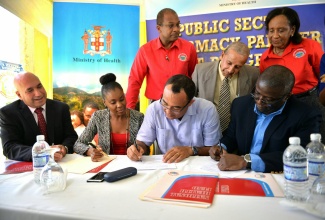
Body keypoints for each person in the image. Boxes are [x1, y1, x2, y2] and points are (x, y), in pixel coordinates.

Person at [209, 65, 322, 173]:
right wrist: (221, 146)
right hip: (241, 173)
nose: (259, 101)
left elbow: (300, 155)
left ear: (286, 96)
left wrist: (246, 161)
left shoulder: (306, 115)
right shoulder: (241, 105)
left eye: (268, 99)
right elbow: (232, 135)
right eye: (257, 94)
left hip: (279, 174)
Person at [259, 7, 325, 138]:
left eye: (281, 30)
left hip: (310, 101)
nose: (275, 35)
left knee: (316, 142)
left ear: (292, 30)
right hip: (282, 107)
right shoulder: (265, 57)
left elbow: (322, 76)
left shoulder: (310, 46)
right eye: (271, 31)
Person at [127, 74, 222, 163]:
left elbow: (213, 149)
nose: (168, 112)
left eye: (176, 108)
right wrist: (138, 148)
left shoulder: (207, 109)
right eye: (165, 103)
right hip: (166, 164)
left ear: (190, 103)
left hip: (198, 164)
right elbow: (143, 141)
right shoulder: (154, 109)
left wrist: (191, 150)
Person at [125, 8, 198, 109]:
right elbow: (135, 81)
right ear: (159, 28)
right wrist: (129, 110)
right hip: (157, 106)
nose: (176, 29)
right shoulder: (145, 50)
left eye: (178, 25)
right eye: (171, 25)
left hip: (183, 107)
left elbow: (194, 78)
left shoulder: (188, 48)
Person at [0, 72, 78, 162]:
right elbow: (10, 148)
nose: (38, 93)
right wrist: (41, 153)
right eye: (30, 90)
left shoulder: (61, 108)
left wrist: (65, 148)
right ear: (19, 95)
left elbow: (71, 137)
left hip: (61, 164)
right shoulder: (9, 113)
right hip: (30, 168)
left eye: (39, 86)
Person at [74, 73, 144, 162]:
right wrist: (90, 151)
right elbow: (78, 144)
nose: (119, 105)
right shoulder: (98, 117)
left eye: (122, 99)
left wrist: (139, 150)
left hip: (133, 165)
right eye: (113, 102)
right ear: (105, 103)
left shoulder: (138, 117)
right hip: (106, 166)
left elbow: (145, 147)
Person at [192, 41, 259, 132]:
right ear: (222, 55)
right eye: (229, 63)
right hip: (205, 128)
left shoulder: (253, 74)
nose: (231, 70)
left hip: (236, 130)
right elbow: (191, 102)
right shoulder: (200, 71)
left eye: (237, 67)